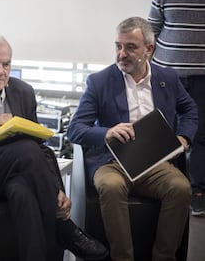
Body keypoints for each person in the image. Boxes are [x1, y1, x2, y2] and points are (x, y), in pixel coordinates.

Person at [0, 35, 108, 261]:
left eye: (6, 64)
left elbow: (41, 149)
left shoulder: (23, 92)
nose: (1, 71)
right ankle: (65, 229)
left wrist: (58, 190)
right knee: (26, 148)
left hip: (18, 171)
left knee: (22, 192)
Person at [67, 17, 198, 261]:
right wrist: (106, 132)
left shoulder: (167, 79)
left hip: (155, 164)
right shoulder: (99, 82)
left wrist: (183, 138)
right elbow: (75, 129)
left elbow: (189, 110)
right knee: (111, 186)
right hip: (111, 163)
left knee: (180, 188)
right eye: (118, 46)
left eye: (130, 47)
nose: (121, 54)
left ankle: (164, 256)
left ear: (149, 49)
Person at [147, 0, 205, 217]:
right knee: (164, 131)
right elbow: (152, 29)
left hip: (202, 77)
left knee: (200, 135)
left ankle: (198, 193)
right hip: (166, 74)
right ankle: (166, 185)